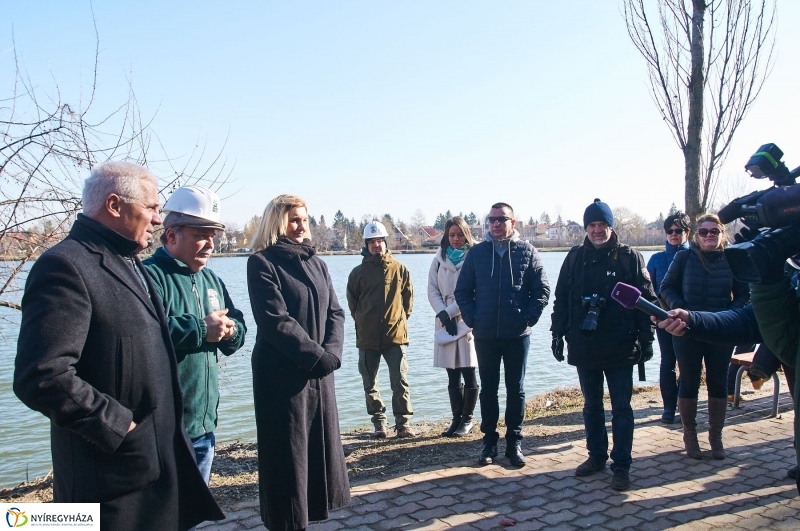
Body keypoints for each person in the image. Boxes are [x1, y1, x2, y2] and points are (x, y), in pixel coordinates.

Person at [13, 161, 223, 531]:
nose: (159, 220)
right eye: (152, 208)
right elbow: (42, 376)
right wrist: (120, 425)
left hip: (153, 470)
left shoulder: (129, 262)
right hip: (109, 480)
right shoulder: (65, 266)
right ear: (114, 205)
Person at [247, 194, 350, 530]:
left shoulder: (316, 263)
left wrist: (332, 353)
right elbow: (276, 321)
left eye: (304, 219)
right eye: (294, 219)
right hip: (281, 379)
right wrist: (316, 356)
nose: (301, 225)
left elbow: (336, 311)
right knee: (287, 462)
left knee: (316, 460)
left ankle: (307, 519)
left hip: (320, 374)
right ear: (277, 223)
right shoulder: (262, 262)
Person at [143, 185, 247, 486]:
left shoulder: (211, 279)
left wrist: (230, 332)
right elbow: (146, 335)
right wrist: (201, 329)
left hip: (204, 427)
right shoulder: (149, 275)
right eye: (201, 234)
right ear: (172, 235)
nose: (210, 243)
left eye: (213, 235)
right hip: (163, 430)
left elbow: (238, 326)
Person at [550, 198, 655, 491]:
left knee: (622, 407)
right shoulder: (573, 259)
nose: (597, 230)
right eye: (592, 225)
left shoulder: (629, 258)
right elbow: (561, 300)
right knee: (591, 405)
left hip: (620, 344)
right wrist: (557, 334)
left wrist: (646, 341)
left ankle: (621, 465)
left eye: (602, 224)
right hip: (584, 343)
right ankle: (596, 456)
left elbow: (646, 303)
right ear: (586, 228)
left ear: (611, 226)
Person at [454, 202, 550, 467]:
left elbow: (542, 290)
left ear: (512, 223)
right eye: (492, 219)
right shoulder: (477, 254)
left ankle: (514, 441)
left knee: (515, 390)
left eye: (501, 219)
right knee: (489, 390)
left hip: (517, 334)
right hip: (485, 334)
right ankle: (489, 442)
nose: (496, 224)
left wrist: (527, 317)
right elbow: (463, 291)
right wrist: (473, 319)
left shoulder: (527, 252)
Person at [660, 213, 749, 461]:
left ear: (722, 233)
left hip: (721, 329)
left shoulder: (733, 258)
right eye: (703, 231)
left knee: (717, 380)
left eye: (714, 231)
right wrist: (682, 310)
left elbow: (744, 294)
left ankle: (716, 436)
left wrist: (731, 315)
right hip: (687, 329)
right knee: (688, 378)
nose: (708, 235)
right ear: (696, 235)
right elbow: (666, 287)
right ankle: (690, 434)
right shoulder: (684, 256)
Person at [347, 220, 416, 439]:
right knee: (370, 383)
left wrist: (398, 321)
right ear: (366, 245)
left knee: (400, 382)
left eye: (380, 241)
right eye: (372, 242)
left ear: (386, 243)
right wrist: (364, 322)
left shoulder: (400, 269)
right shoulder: (357, 273)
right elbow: (353, 304)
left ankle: (403, 424)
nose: (376, 245)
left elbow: (408, 302)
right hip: (367, 339)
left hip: (395, 337)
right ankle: (379, 424)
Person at [427, 216, 479, 437]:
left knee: (468, 370)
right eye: (452, 235)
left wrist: (449, 313)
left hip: (467, 318)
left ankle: (468, 419)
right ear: (446, 237)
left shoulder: (474, 257)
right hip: (444, 319)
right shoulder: (438, 259)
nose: (456, 239)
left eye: (459, 235)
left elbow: (474, 291)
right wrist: (442, 313)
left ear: (466, 235)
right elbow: (431, 289)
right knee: (451, 373)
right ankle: (456, 418)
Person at [646, 211, 691, 423]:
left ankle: (685, 404)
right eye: (670, 231)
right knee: (668, 363)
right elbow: (648, 291)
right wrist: (655, 315)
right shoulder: (656, 259)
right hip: (664, 320)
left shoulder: (695, 256)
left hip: (691, 319)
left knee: (689, 364)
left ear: (687, 233)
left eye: (678, 230)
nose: (673, 234)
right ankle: (668, 408)